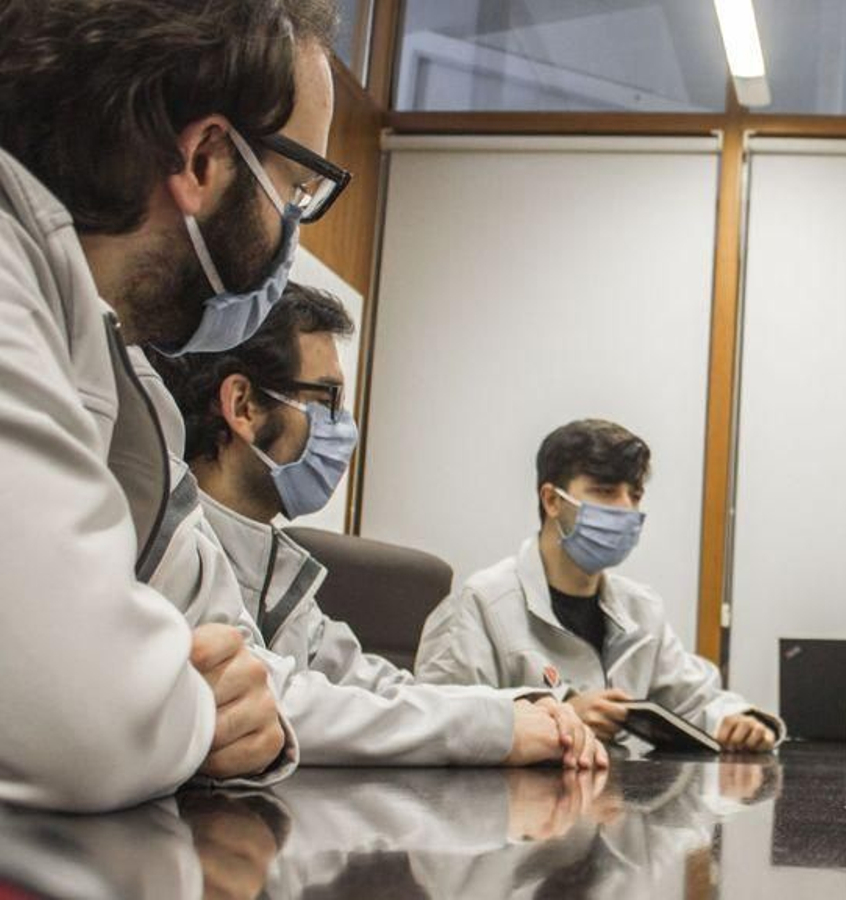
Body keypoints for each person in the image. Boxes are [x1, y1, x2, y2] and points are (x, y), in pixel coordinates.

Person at [0, 0, 343, 811]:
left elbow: (235, 668)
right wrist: (192, 707)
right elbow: (88, 724)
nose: (291, 230)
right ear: (203, 158)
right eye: (295, 189)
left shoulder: (106, 359)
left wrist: (174, 690)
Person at [154, 283, 605, 770]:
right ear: (244, 406)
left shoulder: (271, 562)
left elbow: (368, 686)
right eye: (328, 399)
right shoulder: (162, 539)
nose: (343, 427)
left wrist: (521, 707)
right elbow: (272, 702)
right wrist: (493, 729)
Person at [415, 419, 784, 753]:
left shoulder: (640, 609)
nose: (626, 509)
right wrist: (556, 719)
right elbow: (440, 726)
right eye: (606, 492)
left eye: (635, 495)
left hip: (612, 798)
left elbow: (695, 700)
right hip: (510, 805)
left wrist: (736, 720)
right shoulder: (481, 602)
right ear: (552, 500)